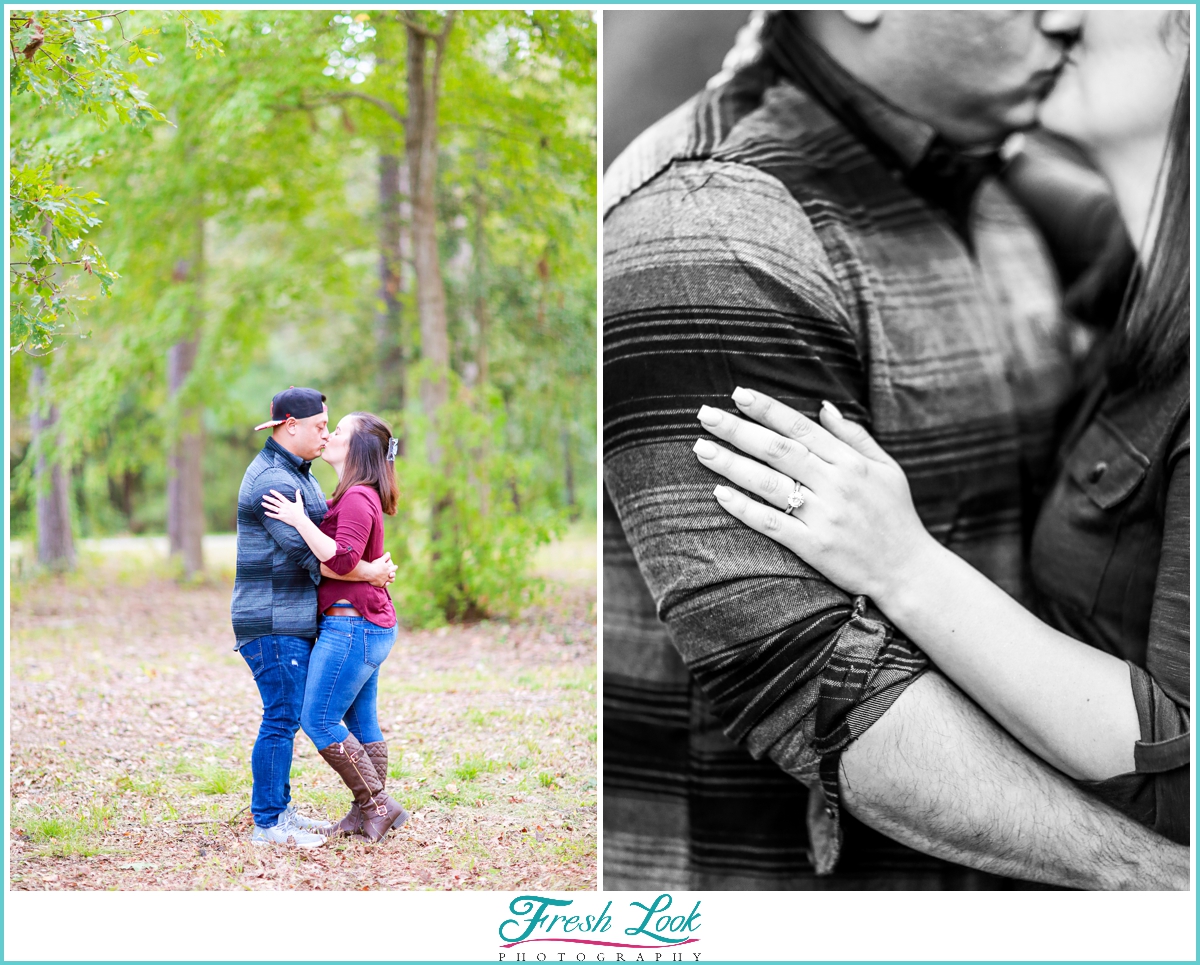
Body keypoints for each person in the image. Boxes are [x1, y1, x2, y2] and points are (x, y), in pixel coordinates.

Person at [602, 9, 1188, 888]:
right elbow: (810, 682)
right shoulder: (716, 221)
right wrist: (1157, 881)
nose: (1065, 16)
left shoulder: (993, 182)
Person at [232, 387, 397, 849]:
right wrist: (374, 571)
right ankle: (269, 823)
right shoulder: (273, 482)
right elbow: (320, 559)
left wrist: (367, 566)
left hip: (300, 618)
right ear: (291, 426)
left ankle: (296, 810)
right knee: (284, 716)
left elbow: (340, 542)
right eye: (321, 426)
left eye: (332, 427)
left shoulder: (301, 476)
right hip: (271, 619)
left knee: (297, 716)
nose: (325, 434)